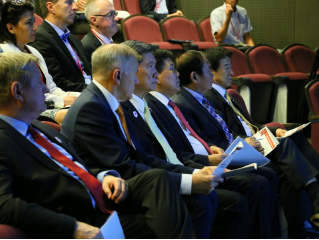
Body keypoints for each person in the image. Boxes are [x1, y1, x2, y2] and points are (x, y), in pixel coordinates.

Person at [0, 51, 200, 240]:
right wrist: (72, 227)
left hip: (106, 198)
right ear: (18, 91)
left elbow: (75, 166)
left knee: (176, 189)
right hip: (83, 220)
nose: (46, 89)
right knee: (188, 208)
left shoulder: (38, 127)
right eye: (39, 83)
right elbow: (4, 204)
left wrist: (103, 177)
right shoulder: (4, 140)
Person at [61, 43, 222, 240]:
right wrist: (189, 181)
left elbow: (142, 157)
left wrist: (194, 173)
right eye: (134, 74)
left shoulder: (109, 103)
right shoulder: (91, 108)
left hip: (128, 184)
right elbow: (124, 167)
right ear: (118, 76)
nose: (136, 80)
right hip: (108, 194)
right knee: (188, 196)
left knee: (203, 196)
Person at [120, 41, 273, 240]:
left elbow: (178, 149)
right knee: (245, 191)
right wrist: (199, 170)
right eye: (171, 69)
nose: (176, 75)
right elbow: (160, 158)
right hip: (167, 177)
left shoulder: (156, 106)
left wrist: (209, 157)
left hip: (191, 164)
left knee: (263, 174)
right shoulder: (147, 107)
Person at [173, 48, 319, 240]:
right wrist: (241, 143)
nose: (231, 72)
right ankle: (314, 200)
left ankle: (300, 227)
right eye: (210, 69)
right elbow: (205, 141)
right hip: (226, 154)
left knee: (291, 147)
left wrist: (269, 132)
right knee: (283, 149)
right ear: (194, 76)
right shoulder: (187, 102)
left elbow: (240, 125)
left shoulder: (203, 98)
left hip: (240, 145)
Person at [0, 1, 80, 124]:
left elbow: (52, 89)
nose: (35, 27)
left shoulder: (33, 51)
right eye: (28, 23)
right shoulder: (5, 55)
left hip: (45, 103)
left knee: (88, 103)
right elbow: (26, 97)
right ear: (11, 27)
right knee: (74, 115)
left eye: (34, 22)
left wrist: (79, 97)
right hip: (25, 111)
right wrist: (62, 101)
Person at [29, 0, 91, 92]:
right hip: (74, 98)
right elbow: (56, 83)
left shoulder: (74, 39)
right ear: (51, 7)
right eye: (69, 3)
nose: (75, 7)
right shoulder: (40, 38)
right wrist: (96, 89)